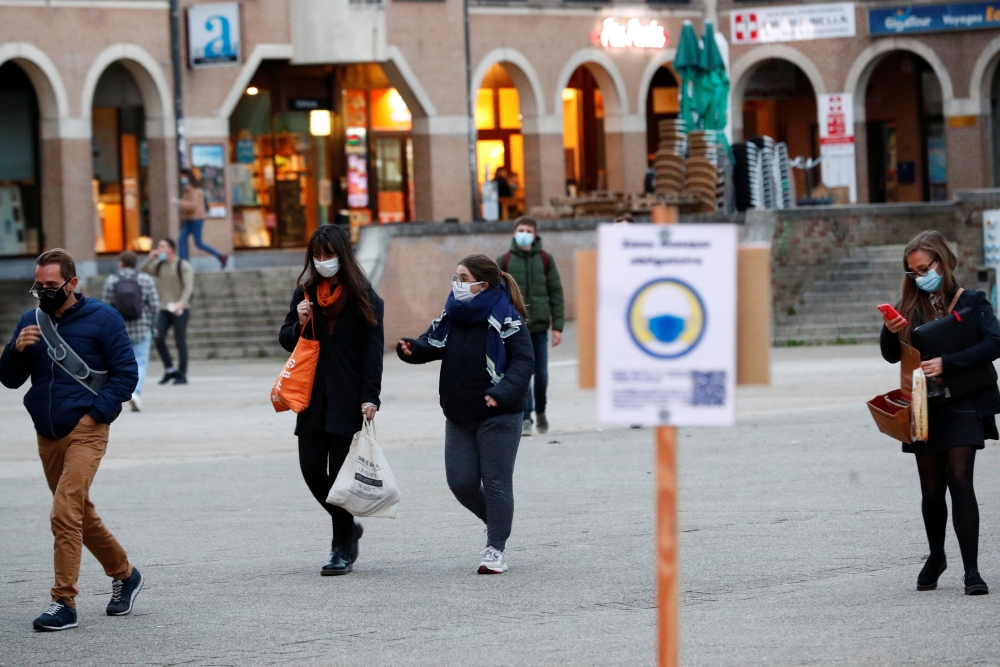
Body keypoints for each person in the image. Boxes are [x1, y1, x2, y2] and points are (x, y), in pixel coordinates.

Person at [0, 249, 143, 631]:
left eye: (51, 285)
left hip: (86, 429)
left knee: (64, 512)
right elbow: (10, 379)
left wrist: (95, 415)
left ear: (72, 283)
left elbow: (126, 374)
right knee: (81, 512)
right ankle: (125, 574)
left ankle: (63, 601)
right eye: (39, 286)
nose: (44, 292)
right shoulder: (32, 321)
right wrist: (14, 351)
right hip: (47, 434)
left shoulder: (103, 318)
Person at [879, 230, 1000, 596]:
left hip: (964, 401)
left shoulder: (973, 302)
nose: (920, 276)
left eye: (925, 267)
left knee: (960, 481)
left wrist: (947, 362)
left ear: (943, 262)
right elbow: (890, 355)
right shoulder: (909, 308)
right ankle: (936, 555)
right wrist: (890, 331)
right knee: (932, 491)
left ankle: (972, 570)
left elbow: (995, 342)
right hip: (925, 408)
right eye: (913, 271)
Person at [397, 255, 533, 574]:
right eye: (455, 277)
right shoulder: (454, 312)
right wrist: (413, 350)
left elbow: (524, 362)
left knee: (496, 482)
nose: (456, 284)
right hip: (459, 412)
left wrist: (500, 392)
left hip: (498, 411)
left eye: (462, 278)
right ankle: (498, 520)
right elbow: (434, 343)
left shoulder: (506, 316)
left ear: (482, 285)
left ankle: (495, 548)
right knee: (461, 482)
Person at [278, 224, 384, 576]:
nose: (322, 262)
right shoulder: (306, 293)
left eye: (328, 255)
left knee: (339, 475)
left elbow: (373, 353)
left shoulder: (365, 297)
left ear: (343, 255)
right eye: (317, 256)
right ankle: (349, 525)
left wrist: (371, 397)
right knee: (311, 471)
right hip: (311, 396)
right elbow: (285, 338)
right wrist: (300, 323)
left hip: (347, 396)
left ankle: (341, 547)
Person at [497, 216, 564, 436]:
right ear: (514, 233)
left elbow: (556, 292)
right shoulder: (504, 260)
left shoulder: (545, 259)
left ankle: (541, 411)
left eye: (529, 231)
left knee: (541, 375)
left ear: (535, 235)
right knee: (522, 374)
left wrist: (558, 326)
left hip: (539, 327)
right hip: (515, 329)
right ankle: (526, 417)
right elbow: (496, 295)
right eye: (521, 230)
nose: (525, 234)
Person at [102, 250, 160, 412]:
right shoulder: (145, 279)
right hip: (142, 327)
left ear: (121, 263)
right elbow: (155, 304)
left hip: (120, 329)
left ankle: (117, 394)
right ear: (136, 264)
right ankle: (135, 393)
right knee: (140, 362)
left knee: (119, 364)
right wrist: (152, 324)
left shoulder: (111, 280)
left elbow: (106, 307)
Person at [143, 238, 194, 385]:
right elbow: (143, 271)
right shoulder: (159, 265)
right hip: (164, 308)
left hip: (180, 309)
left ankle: (182, 373)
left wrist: (181, 302)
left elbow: (189, 287)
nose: (159, 249)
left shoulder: (182, 265)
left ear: (171, 249)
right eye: (158, 247)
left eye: (162, 246)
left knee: (180, 340)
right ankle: (169, 369)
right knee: (158, 337)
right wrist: (150, 259)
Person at [178, 169, 227, 268]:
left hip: (196, 220)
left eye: (182, 176)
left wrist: (178, 202)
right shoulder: (188, 189)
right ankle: (182, 264)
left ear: (187, 177)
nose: (181, 179)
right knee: (181, 240)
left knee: (198, 243)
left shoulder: (194, 190)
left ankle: (220, 256)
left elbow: (192, 206)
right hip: (189, 219)